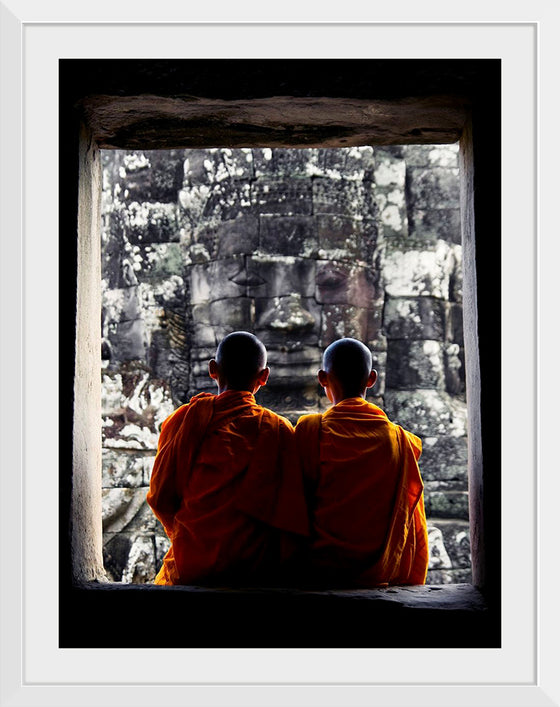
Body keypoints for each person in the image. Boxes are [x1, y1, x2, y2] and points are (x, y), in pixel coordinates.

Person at [146, 331, 309, 586]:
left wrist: (188, 535)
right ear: (264, 377)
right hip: (254, 570)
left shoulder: (184, 421)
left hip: (191, 564)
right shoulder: (278, 430)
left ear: (213, 369)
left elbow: (160, 497)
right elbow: (291, 517)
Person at [295, 337, 429, 587]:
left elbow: (292, 504)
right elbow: (411, 522)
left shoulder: (310, 431)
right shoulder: (398, 439)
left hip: (319, 570)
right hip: (378, 573)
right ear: (372, 379)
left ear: (323, 378)